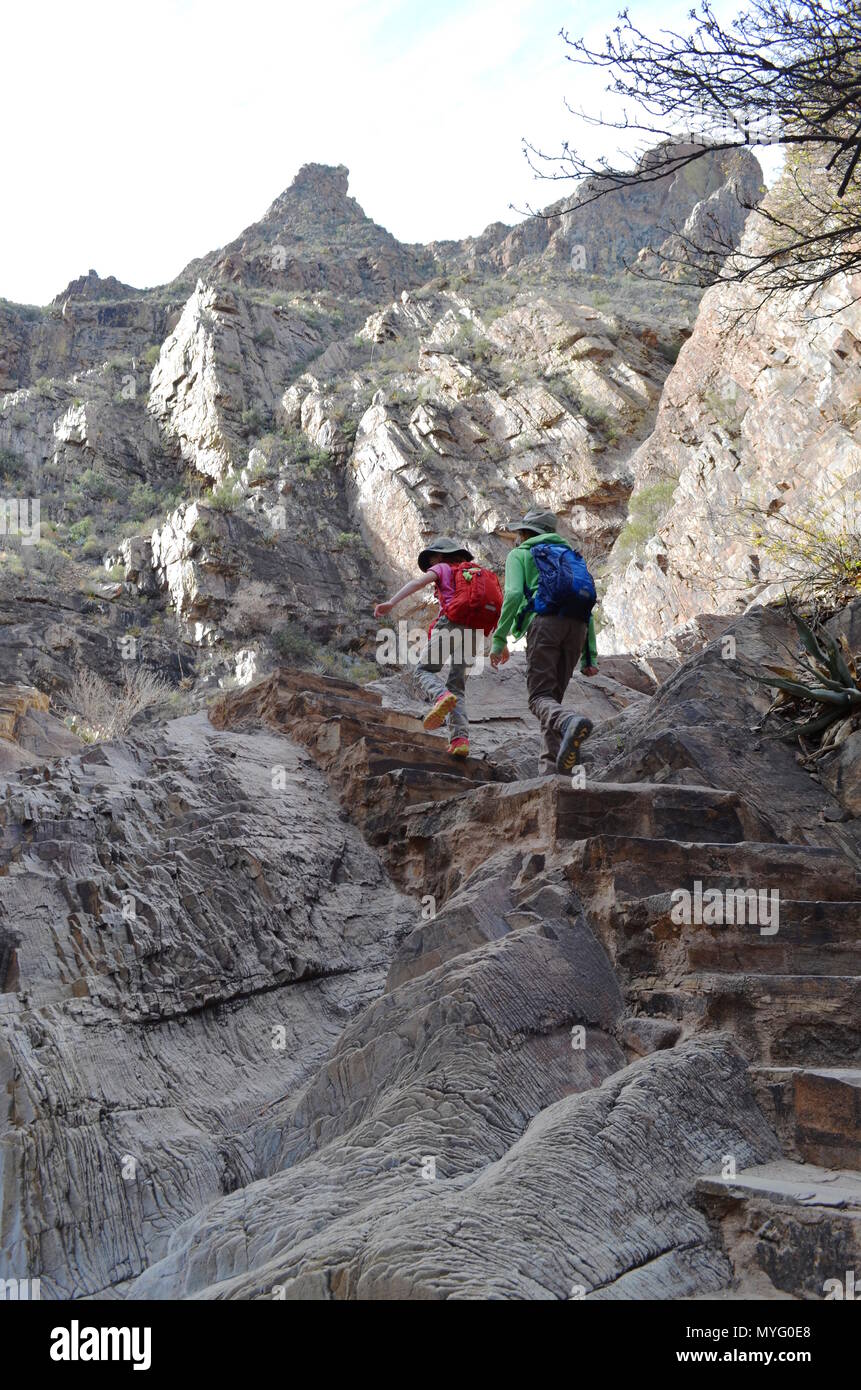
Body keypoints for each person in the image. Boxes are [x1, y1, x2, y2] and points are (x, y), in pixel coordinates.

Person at [489, 508, 598, 775]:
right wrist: (589, 656)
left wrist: (499, 638)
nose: (516, 538)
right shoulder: (572, 556)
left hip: (545, 624)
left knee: (539, 698)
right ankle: (552, 771)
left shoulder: (521, 553)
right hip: (577, 628)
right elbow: (586, 605)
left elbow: (513, 594)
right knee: (552, 701)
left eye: (519, 533)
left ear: (525, 533)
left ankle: (570, 721)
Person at [374, 537, 483, 758]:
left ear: (441, 556)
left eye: (432, 556)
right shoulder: (475, 572)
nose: (431, 562)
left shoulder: (442, 568)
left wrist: (391, 603)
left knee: (423, 670)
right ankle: (460, 740)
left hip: (451, 624)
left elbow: (416, 584)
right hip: (475, 631)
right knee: (458, 687)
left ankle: (441, 697)